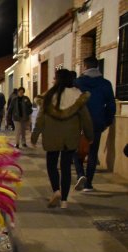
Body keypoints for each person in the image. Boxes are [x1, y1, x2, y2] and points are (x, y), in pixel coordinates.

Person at [31, 69, 93, 209]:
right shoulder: (78, 96)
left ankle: (56, 191)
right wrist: (89, 136)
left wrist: (35, 135)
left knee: (51, 164)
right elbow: (86, 118)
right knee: (66, 167)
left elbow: (40, 119)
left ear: (57, 80)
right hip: (70, 136)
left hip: (52, 135)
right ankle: (64, 201)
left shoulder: (48, 96)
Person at [72, 56, 117, 192]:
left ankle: (80, 174)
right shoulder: (105, 83)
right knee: (93, 152)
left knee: (76, 150)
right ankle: (88, 184)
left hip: (78, 122)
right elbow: (110, 105)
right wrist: (107, 121)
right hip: (97, 122)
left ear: (85, 66)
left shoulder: (77, 82)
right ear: (97, 66)